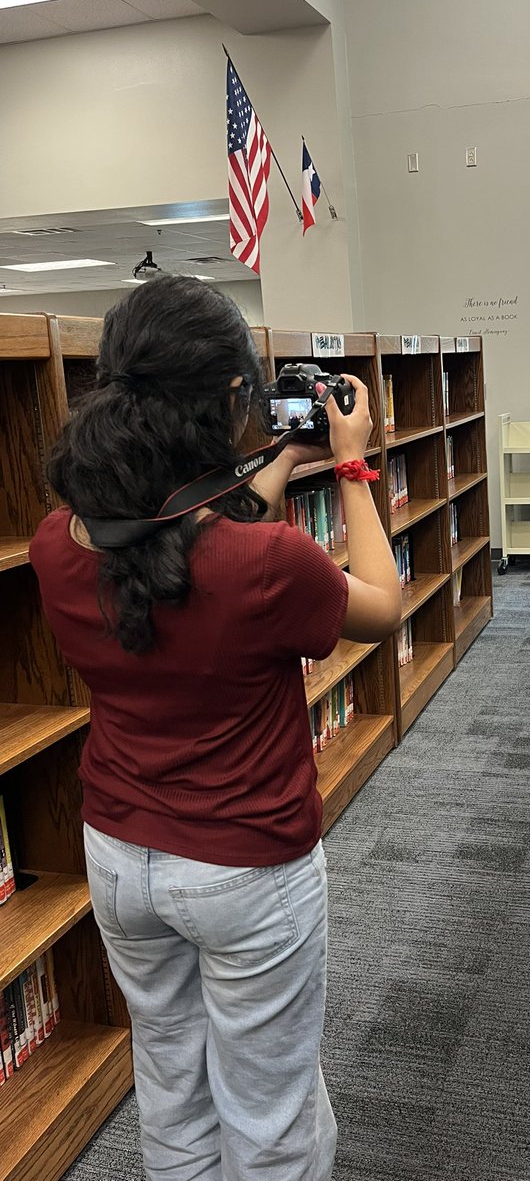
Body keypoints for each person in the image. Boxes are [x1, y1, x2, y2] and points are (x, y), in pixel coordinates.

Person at [29, 274, 403, 1181]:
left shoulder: (57, 540)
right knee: (271, 1113)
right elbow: (383, 608)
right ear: (233, 399)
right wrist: (350, 464)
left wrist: (272, 454)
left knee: (172, 1087)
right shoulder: (271, 565)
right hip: (246, 868)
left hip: (119, 857)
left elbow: (186, 542)